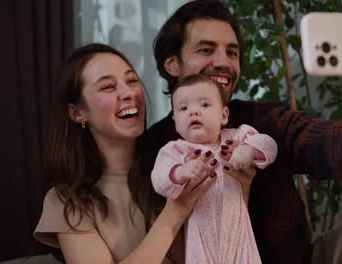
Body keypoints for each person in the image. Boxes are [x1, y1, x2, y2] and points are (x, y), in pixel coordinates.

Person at [139, 0, 342, 263]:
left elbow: (332, 149)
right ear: (172, 64)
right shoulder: (155, 148)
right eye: (206, 49)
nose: (224, 62)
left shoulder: (263, 120)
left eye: (232, 52)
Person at [33, 43, 218, 263]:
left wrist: (241, 187)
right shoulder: (66, 201)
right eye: (108, 87)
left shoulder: (175, 169)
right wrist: (175, 213)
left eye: (131, 81)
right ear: (77, 113)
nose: (128, 92)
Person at [151, 74, 277, 263]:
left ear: (224, 115)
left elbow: (269, 146)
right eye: (184, 108)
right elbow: (159, 180)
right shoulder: (177, 150)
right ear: (175, 122)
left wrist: (249, 150)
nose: (193, 112)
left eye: (204, 105)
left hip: (239, 233)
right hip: (200, 236)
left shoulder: (237, 136)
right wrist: (181, 171)